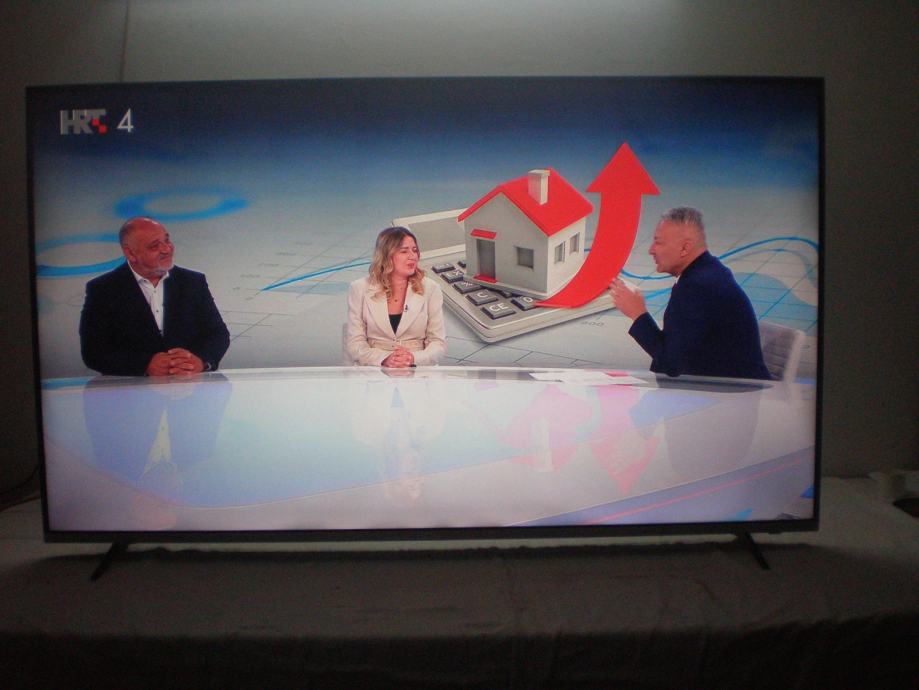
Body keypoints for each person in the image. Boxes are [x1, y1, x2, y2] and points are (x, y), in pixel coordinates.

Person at [611, 207, 770, 380]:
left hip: (733, 393)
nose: (651, 250)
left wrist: (638, 314)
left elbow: (671, 364)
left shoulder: (698, 286)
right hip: (724, 388)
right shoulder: (708, 271)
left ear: (685, 248)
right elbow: (674, 352)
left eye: (658, 242)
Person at [79, 217, 230, 376]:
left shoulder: (192, 282)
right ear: (130, 253)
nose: (166, 249)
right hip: (132, 389)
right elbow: (93, 352)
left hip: (190, 385)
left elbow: (218, 334)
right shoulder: (103, 289)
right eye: (155, 246)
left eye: (167, 240)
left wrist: (200, 361)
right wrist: (144, 365)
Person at [345, 226, 446, 367]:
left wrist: (413, 358)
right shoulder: (359, 288)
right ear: (386, 255)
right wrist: (384, 359)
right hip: (374, 369)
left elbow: (438, 343)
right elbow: (355, 344)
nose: (412, 256)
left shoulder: (430, 288)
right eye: (404, 251)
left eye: (414, 250)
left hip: (419, 370)